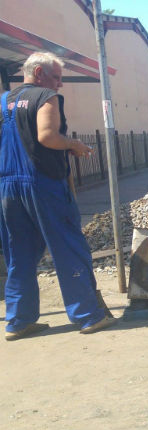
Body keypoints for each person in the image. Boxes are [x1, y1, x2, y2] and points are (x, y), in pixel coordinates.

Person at [0, 52, 116, 340]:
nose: (59, 85)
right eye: (56, 78)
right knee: (68, 247)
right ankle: (89, 316)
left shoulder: (3, 101)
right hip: (42, 184)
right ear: (38, 72)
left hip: (6, 188)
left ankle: (18, 321)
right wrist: (73, 145)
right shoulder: (45, 97)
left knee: (20, 254)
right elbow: (47, 136)